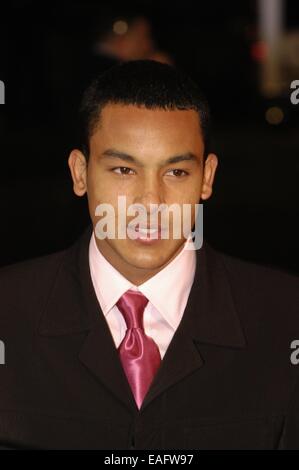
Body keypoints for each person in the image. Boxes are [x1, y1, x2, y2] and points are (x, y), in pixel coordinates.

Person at [0, 60, 299, 450]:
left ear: (206, 177)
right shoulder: (8, 313)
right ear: (80, 172)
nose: (151, 203)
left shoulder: (285, 317)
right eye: (124, 169)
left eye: (176, 173)